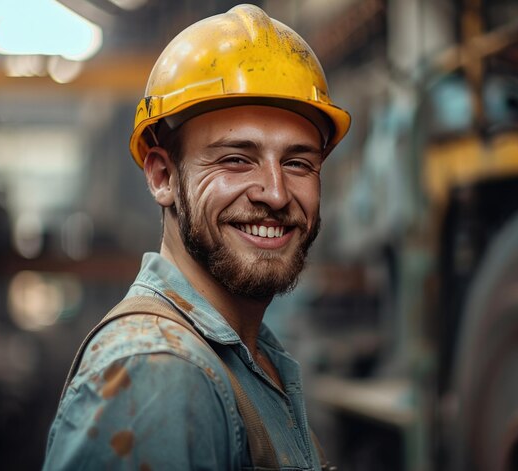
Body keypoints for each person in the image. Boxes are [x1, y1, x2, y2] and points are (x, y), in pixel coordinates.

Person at [43, 4, 350, 470]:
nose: (275, 192)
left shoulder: (249, 359)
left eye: (298, 163)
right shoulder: (159, 376)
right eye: (235, 159)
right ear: (163, 176)